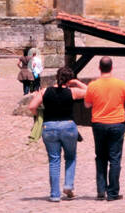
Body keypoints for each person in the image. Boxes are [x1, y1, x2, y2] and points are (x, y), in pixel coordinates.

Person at [26, 67, 87, 201]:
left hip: (49, 127)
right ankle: (68, 185)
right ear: (69, 79)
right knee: (70, 157)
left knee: (54, 160)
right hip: (68, 127)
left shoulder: (44, 91)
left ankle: (54, 195)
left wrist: (39, 116)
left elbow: (31, 106)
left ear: (57, 76)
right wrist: (76, 82)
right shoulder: (73, 92)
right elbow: (90, 92)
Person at [84, 56, 125, 201]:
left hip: (99, 124)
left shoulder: (93, 85)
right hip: (117, 123)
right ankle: (112, 192)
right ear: (112, 68)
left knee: (100, 158)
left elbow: (87, 105)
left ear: (99, 68)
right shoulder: (121, 84)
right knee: (115, 158)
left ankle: (101, 190)